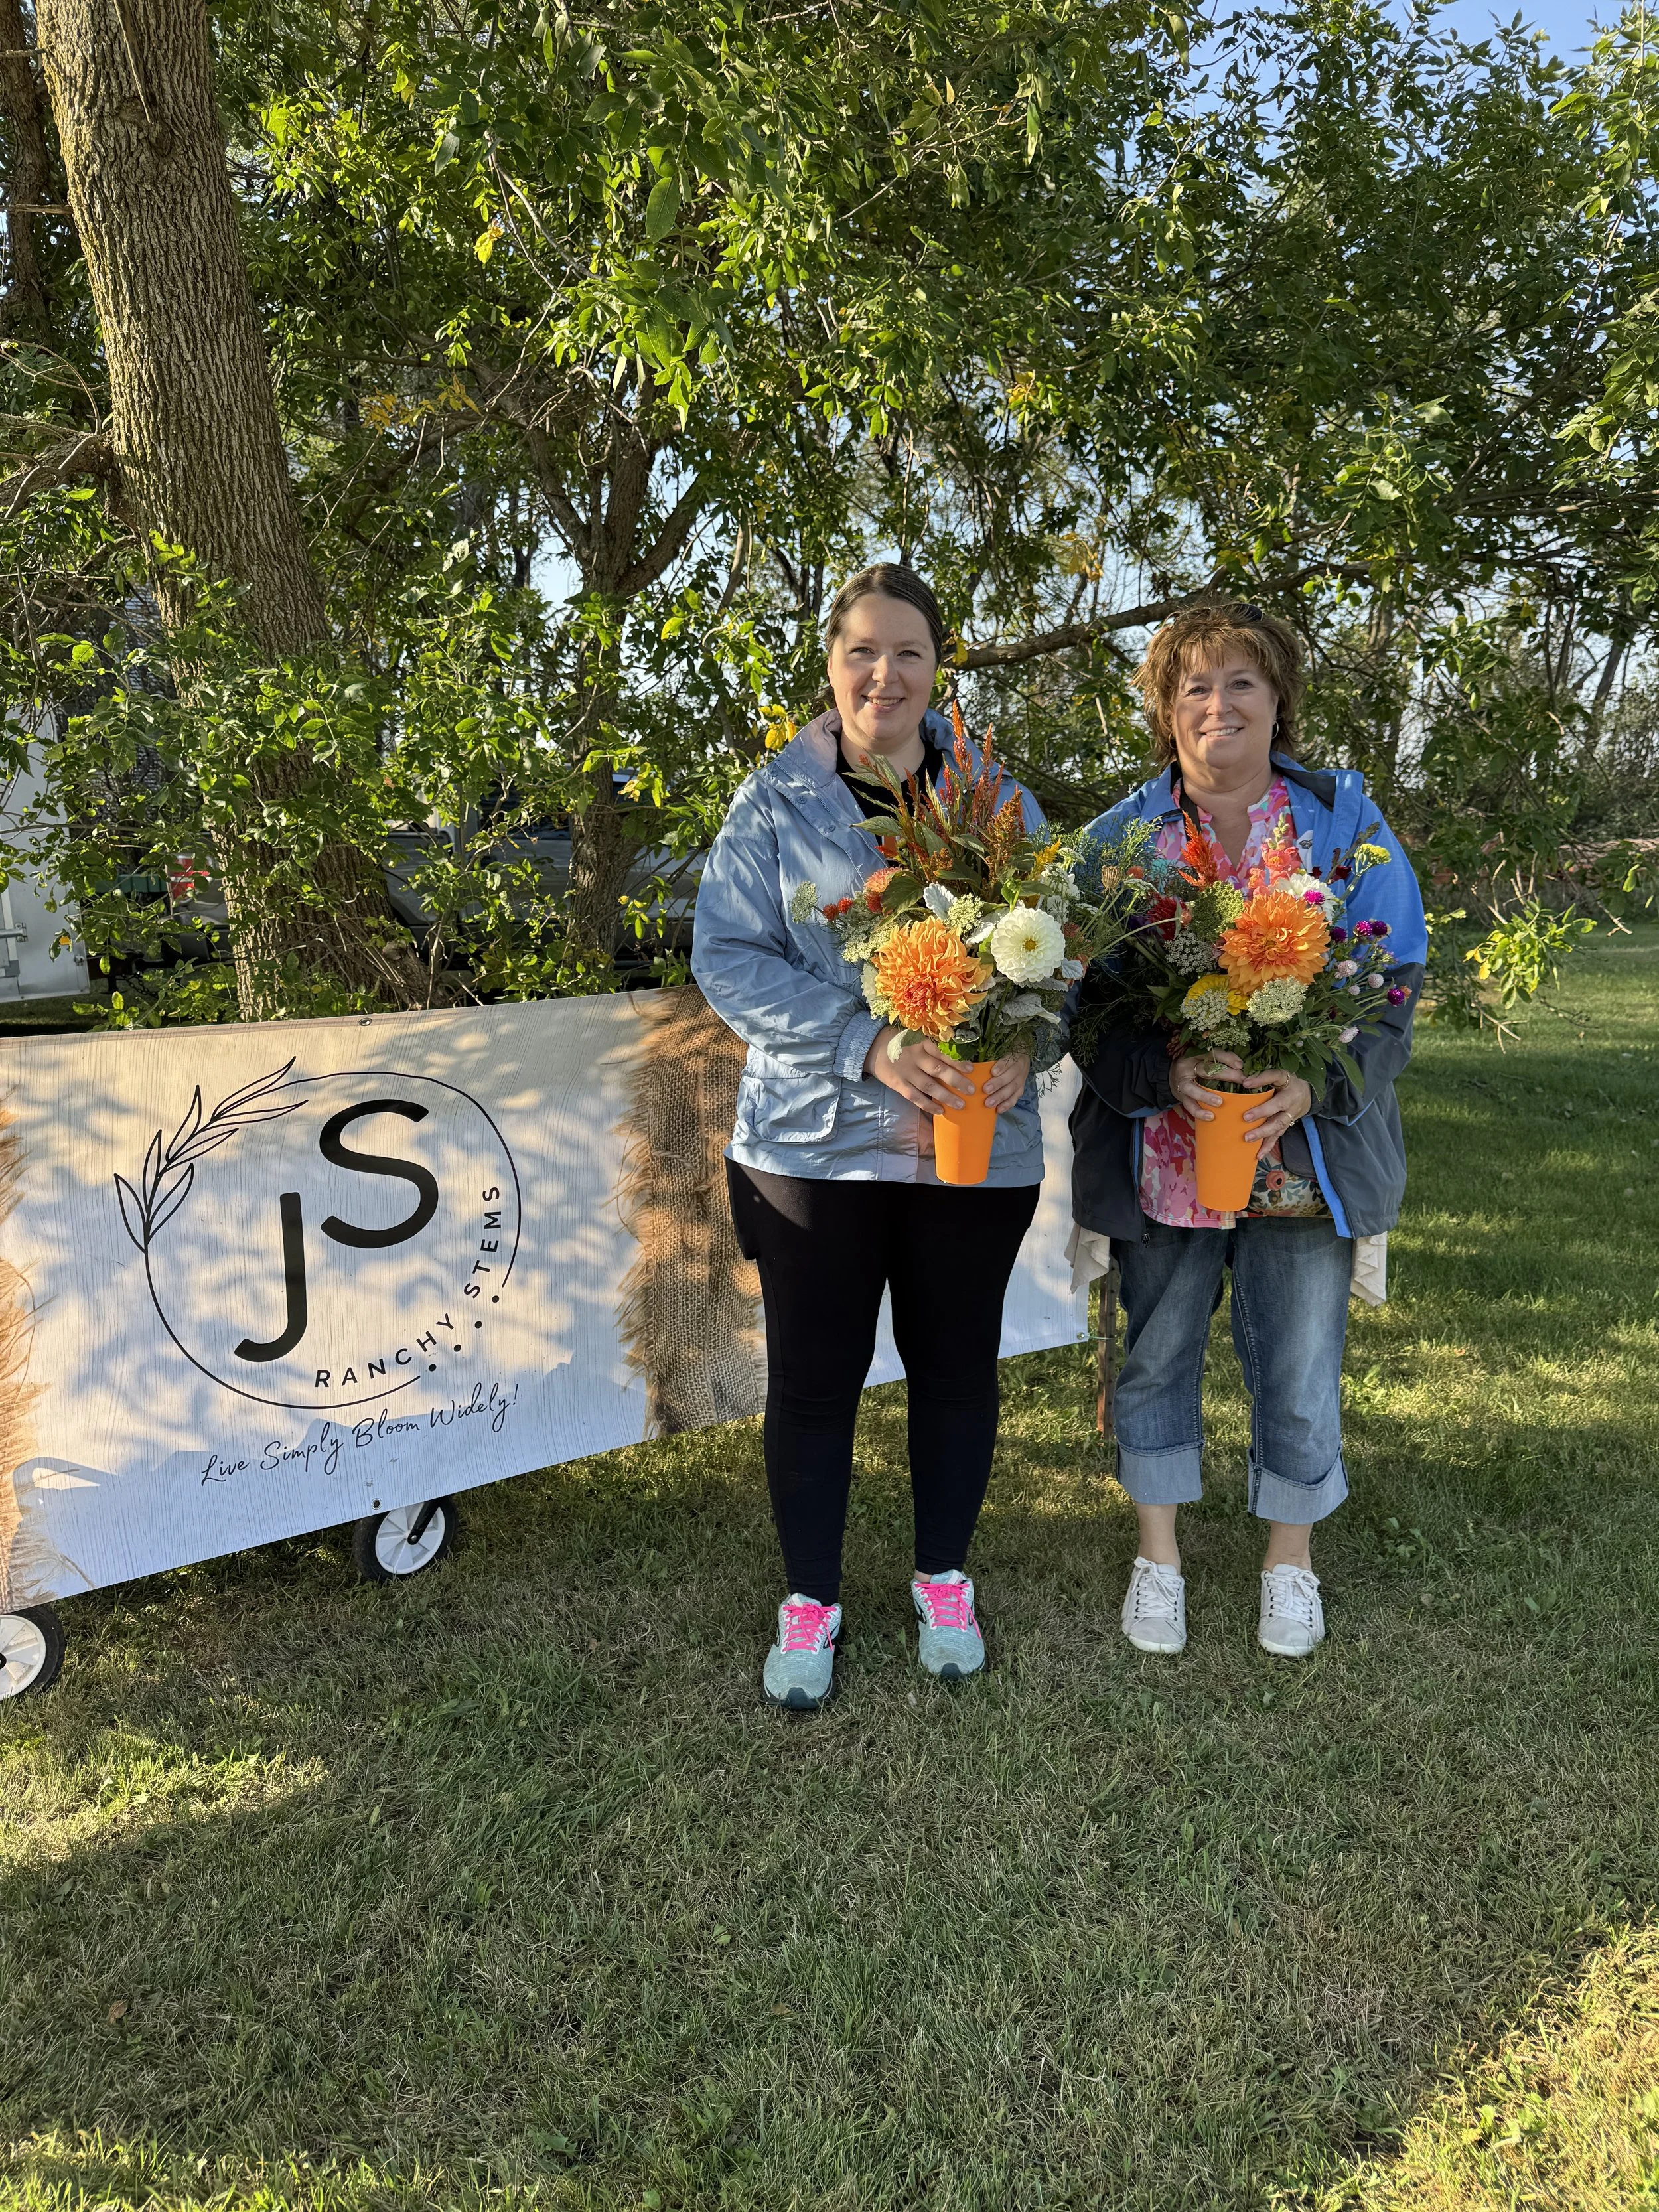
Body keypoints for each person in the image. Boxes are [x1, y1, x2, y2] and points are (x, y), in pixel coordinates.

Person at [693, 563, 1049, 1711]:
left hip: (970, 1147)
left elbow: (1067, 952)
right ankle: (812, 1599)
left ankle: (944, 1576)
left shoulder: (997, 800)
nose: (882, 673)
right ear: (831, 663)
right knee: (815, 1380)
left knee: (955, 1370)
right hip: (810, 1150)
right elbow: (727, 960)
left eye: (907, 652)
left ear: (939, 666)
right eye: (861, 651)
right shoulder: (773, 803)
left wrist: (1030, 1046)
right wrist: (867, 1043)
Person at [1069, 601, 1427, 1659]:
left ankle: (1289, 1567)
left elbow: (1394, 986)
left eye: (1240, 685)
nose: (1216, 706)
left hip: (1300, 1160)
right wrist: (1158, 1070)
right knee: (1158, 1353)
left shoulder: (1344, 826)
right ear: (1164, 711)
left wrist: (1317, 1084)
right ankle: (1159, 1559)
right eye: (1193, 688)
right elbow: (1078, 1002)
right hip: (1165, 1154)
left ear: (1279, 704)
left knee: (1303, 1363)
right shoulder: (1120, 844)